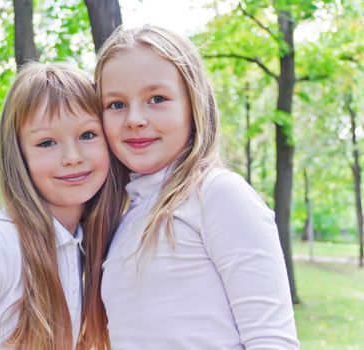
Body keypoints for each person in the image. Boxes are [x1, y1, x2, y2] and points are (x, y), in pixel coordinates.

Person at [80, 25, 300, 350]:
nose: (135, 118)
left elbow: (272, 341)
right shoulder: (125, 218)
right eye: (116, 104)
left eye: (157, 98)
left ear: (193, 105)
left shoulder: (218, 194)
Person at [0, 62, 125, 350]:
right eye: (47, 142)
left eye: (87, 135)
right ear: (19, 156)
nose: (72, 156)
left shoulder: (80, 245)